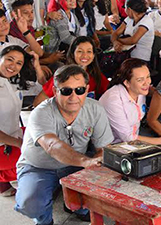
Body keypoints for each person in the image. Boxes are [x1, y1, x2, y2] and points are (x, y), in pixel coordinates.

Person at [14, 65, 114, 224]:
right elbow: (52, 145)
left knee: (104, 192)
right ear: (55, 91)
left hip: (75, 165)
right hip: (39, 166)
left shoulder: (95, 109)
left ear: (87, 89)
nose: (74, 96)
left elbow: (104, 147)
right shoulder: (41, 112)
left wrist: (94, 166)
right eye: (66, 91)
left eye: (80, 90)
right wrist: (86, 162)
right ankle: (44, 220)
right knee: (31, 204)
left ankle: (77, 207)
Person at [100, 58, 161, 145]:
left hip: (134, 138)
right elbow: (127, 137)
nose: (147, 83)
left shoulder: (139, 90)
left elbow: (155, 91)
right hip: (113, 145)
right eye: (140, 80)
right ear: (127, 83)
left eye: (148, 77)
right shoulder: (113, 100)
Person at [0, 46, 39, 196]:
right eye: (9, 59)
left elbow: (42, 89)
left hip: (13, 136)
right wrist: (18, 143)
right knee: (38, 159)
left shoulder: (10, 81)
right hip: (5, 143)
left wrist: (36, 66)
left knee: (43, 138)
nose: (13, 66)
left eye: (19, 63)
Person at [34, 36, 109, 106]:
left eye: (89, 51)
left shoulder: (97, 76)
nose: (85, 55)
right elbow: (38, 102)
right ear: (73, 54)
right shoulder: (63, 75)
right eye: (80, 51)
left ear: (93, 55)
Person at [110, 0, 154, 65]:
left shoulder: (147, 20)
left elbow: (133, 40)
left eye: (125, 8)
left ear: (129, 9)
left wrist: (118, 40)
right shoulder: (129, 19)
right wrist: (115, 42)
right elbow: (115, 33)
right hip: (126, 56)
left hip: (140, 59)